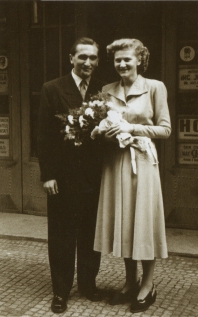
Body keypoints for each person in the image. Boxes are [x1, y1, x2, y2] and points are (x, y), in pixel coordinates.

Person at [93, 38, 171, 313]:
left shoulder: (154, 88)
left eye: (128, 59)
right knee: (125, 221)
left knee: (143, 222)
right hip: (115, 162)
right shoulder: (106, 91)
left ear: (140, 60)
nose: (122, 64)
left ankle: (148, 285)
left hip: (143, 161)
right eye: (118, 60)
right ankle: (129, 282)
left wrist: (131, 128)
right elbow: (101, 128)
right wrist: (104, 133)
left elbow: (165, 130)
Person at [37, 37, 104, 314]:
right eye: (82, 57)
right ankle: (61, 292)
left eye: (92, 58)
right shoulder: (52, 89)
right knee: (62, 234)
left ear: (97, 61)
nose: (87, 62)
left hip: (94, 177)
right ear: (71, 58)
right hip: (63, 178)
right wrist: (48, 175)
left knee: (90, 233)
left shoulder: (103, 91)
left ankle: (88, 285)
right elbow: (43, 136)